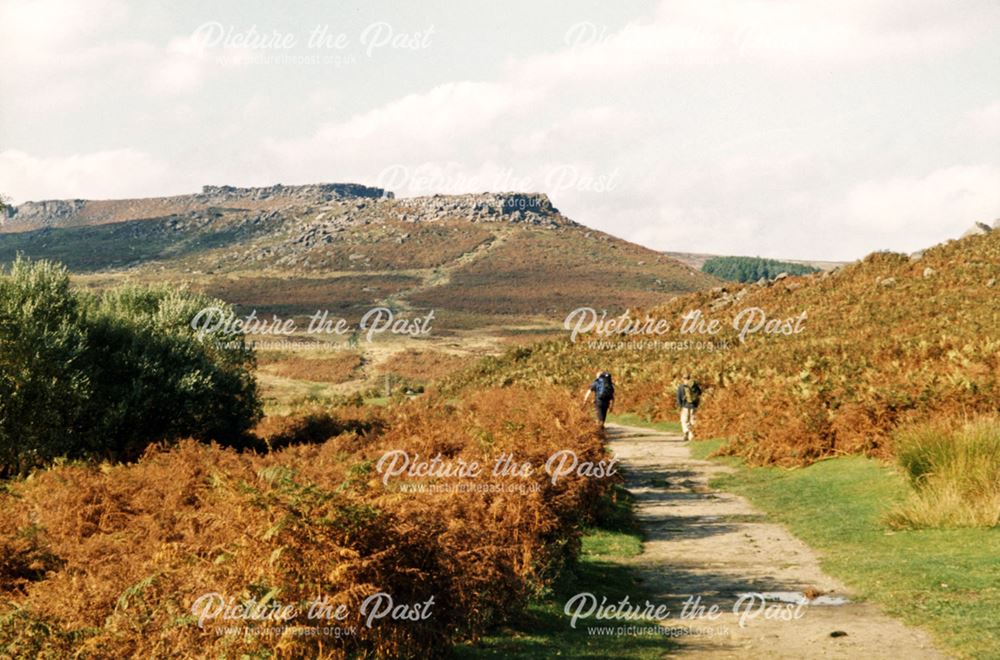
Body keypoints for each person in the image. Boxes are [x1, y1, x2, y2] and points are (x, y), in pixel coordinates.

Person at [676, 373, 701, 441]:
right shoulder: (695, 385)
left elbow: (679, 397)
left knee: (684, 420)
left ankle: (686, 432)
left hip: (685, 406)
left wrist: (680, 406)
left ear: (683, 378)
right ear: (689, 378)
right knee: (692, 420)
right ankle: (692, 436)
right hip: (693, 406)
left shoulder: (681, 386)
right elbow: (700, 393)